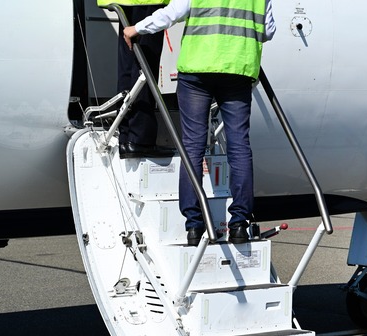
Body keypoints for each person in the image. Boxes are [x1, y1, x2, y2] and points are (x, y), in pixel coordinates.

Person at [124, 0, 274, 245]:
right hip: (237, 70)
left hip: (198, 71)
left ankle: (194, 225)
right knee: (239, 147)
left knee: (193, 146)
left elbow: (172, 13)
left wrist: (137, 28)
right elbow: (267, 31)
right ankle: (239, 223)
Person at [97, 0, 175, 159]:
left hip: (124, 1)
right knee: (145, 67)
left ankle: (126, 137)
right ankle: (140, 140)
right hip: (147, 1)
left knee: (128, 65)